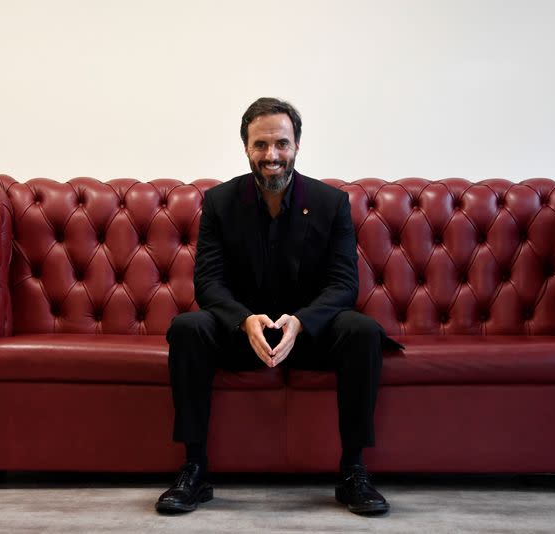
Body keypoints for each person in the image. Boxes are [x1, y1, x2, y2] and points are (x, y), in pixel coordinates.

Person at [156, 97, 397, 516]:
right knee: (187, 328)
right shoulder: (218, 203)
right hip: (242, 335)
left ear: (297, 146)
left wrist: (302, 322)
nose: (272, 156)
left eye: (281, 144)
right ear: (246, 147)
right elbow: (208, 282)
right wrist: (243, 320)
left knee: (362, 331)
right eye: (261, 145)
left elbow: (344, 284)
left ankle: (353, 471)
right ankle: (194, 469)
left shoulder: (330, 203)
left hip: (307, 336)